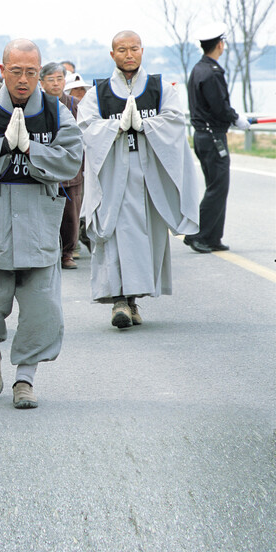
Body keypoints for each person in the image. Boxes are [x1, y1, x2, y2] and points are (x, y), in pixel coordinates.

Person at [0, 39, 83, 409]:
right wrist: (4, 146)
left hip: (39, 224)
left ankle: (25, 378)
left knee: (43, 309)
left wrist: (31, 149)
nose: (23, 80)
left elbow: (72, 160)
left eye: (31, 72)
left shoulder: (57, 113)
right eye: (16, 71)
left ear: (39, 74)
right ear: (2, 71)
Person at [77, 30, 199, 328]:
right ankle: (120, 300)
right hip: (114, 176)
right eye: (121, 49)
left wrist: (144, 124)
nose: (128, 54)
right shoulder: (99, 92)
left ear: (142, 51)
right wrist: (116, 127)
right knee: (115, 235)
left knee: (145, 237)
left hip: (149, 178)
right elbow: (86, 126)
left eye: (133, 49)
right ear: (112, 54)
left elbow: (174, 120)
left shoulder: (159, 87)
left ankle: (133, 299)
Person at [184, 22, 250, 254]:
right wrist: (237, 118)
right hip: (213, 136)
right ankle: (198, 235)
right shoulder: (211, 73)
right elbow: (219, 107)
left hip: (205, 136)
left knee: (217, 186)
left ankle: (212, 237)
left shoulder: (198, 69)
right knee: (217, 187)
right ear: (220, 45)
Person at [40, 62, 83, 269]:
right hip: (45, 166)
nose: (56, 83)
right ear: (41, 83)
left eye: (59, 79)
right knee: (44, 215)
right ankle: (47, 253)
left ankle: (67, 253)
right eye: (51, 79)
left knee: (70, 215)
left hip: (71, 170)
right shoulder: (36, 104)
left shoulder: (74, 104)